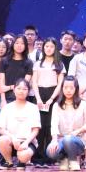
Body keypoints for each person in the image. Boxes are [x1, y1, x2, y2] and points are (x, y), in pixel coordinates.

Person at [46, 75, 86, 171]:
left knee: (68, 139)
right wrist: (54, 140)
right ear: (62, 89)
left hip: (79, 139)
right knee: (50, 151)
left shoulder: (83, 104)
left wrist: (78, 131)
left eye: (71, 88)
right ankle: (64, 159)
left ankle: (74, 161)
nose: (68, 90)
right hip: (61, 139)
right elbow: (54, 124)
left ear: (76, 89)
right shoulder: (57, 105)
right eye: (65, 87)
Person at [33, 37, 65, 165]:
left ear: (55, 48)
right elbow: (34, 82)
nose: (49, 49)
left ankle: (50, 157)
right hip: (40, 94)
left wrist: (51, 99)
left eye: (51, 46)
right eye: (46, 46)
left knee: (50, 125)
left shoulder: (59, 64)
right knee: (40, 125)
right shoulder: (37, 64)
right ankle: (38, 157)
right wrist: (38, 99)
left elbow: (60, 84)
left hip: (53, 95)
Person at [0, 79, 40, 169]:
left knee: (23, 156)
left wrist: (26, 142)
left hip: (27, 142)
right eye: (19, 88)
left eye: (24, 89)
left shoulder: (33, 108)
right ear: (14, 89)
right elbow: (1, 129)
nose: (21, 91)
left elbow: (35, 130)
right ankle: (8, 161)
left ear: (28, 91)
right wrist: (13, 138)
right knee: (2, 140)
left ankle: (22, 161)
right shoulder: (7, 108)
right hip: (11, 141)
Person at [0, 35, 33, 105]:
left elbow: (24, 86)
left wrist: (10, 87)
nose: (19, 45)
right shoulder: (4, 61)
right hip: (6, 99)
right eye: (17, 43)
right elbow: (1, 86)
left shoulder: (29, 63)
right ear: (13, 44)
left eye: (22, 43)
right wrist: (3, 100)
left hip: (22, 99)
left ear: (25, 46)